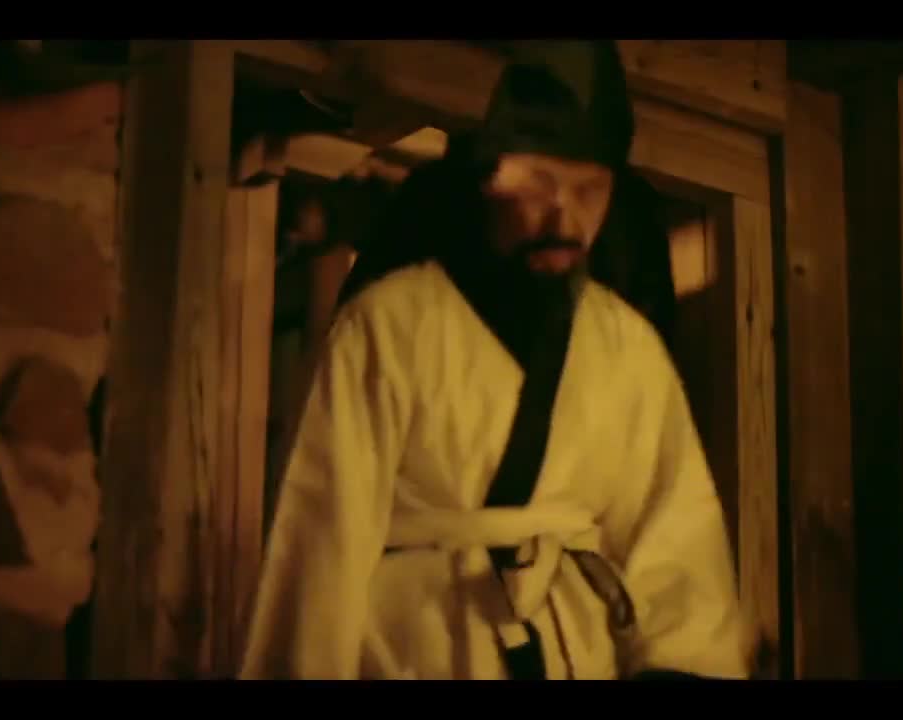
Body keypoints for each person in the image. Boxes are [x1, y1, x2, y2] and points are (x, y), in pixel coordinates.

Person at [240, 40, 749, 680]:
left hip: (575, 652)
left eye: (589, 191)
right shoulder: (389, 323)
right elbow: (321, 539)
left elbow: (676, 535)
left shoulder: (628, 347)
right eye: (541, 183)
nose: (565, 216)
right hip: (417, 647)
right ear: (491, 178)